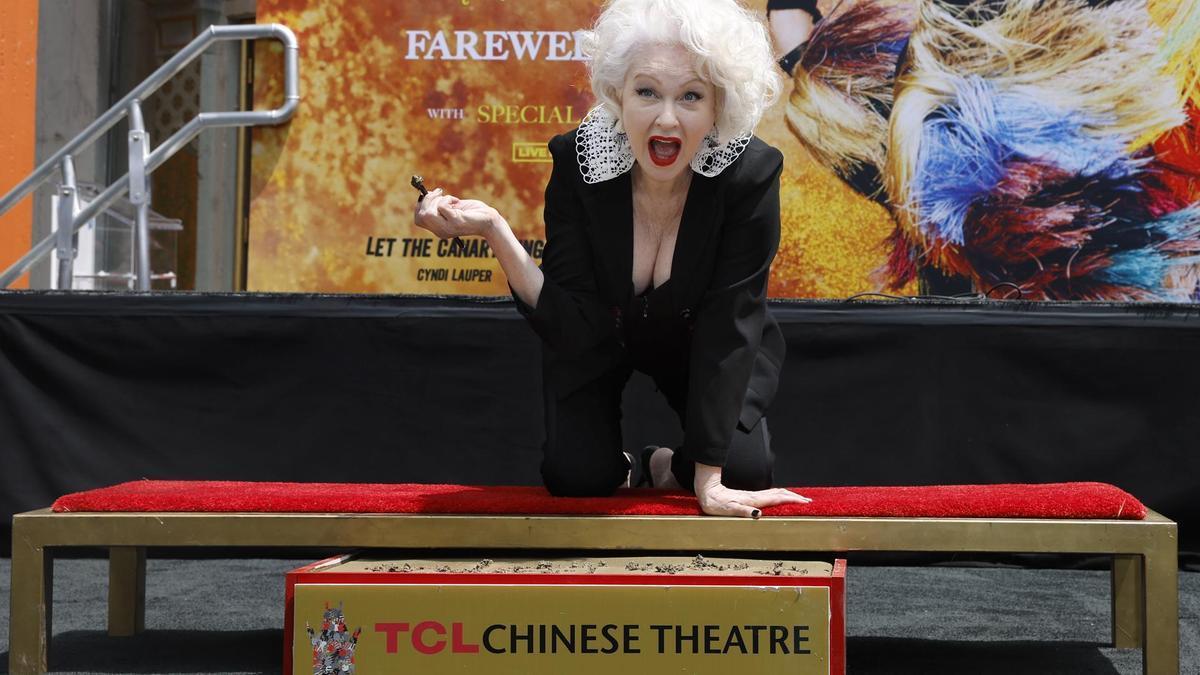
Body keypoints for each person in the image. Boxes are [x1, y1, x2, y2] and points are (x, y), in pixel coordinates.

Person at [414, 0, 811, 518]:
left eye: (691, 96)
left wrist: (708, 483)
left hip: (703, 340)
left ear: (719, 107)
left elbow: (731, 322)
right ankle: (626, 467)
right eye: (647, 91)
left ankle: (668, 467)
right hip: (600, 336)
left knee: (743, 469)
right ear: (618, 94)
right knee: (576, 478)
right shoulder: (578, 162)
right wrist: (495, 230)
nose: (666, 116)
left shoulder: (750, 175)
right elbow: (570, 317)